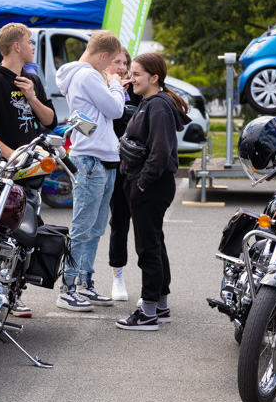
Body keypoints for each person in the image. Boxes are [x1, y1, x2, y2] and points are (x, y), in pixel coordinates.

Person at [0, 22, 58, 318]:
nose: (33, 47)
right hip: (3, 172)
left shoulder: (32, 78)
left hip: (31, 173)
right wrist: (12, 155)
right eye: (30, 42)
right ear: (16, 46)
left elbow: (50, 121)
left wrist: (32, 96)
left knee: (26, 234)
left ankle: (11, 291)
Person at [116, 52, 192, 331]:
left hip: (150, 185)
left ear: (154, 77)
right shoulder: (151, 103)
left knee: (147, 247)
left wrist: (141, 184)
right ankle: (160, 305)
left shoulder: (157, 106)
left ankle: (147, 313)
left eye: (136, 74)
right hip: (149, 184)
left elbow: (159, 154)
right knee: (155, 243)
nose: (130, 78)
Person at [53, 30, 124, 312]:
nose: (112, 69)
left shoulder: (79, 76)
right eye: (112, 62)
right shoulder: (88, 75)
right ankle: (68, 287)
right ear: (103, 55)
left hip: (100, 156)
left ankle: (84, 282)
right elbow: (115, 110)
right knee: (83, 227)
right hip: (91, 159)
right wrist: (116, 85)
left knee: (94, 227)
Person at [107, 47, 143, 302]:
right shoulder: (103, 89)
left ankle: (149, 283)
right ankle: (117, 276)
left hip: (140, 168)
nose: (121, 67)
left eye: (124, 62)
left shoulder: (137, 91)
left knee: (145, 227)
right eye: (115, 62)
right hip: (114, 167)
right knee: (118, 223)